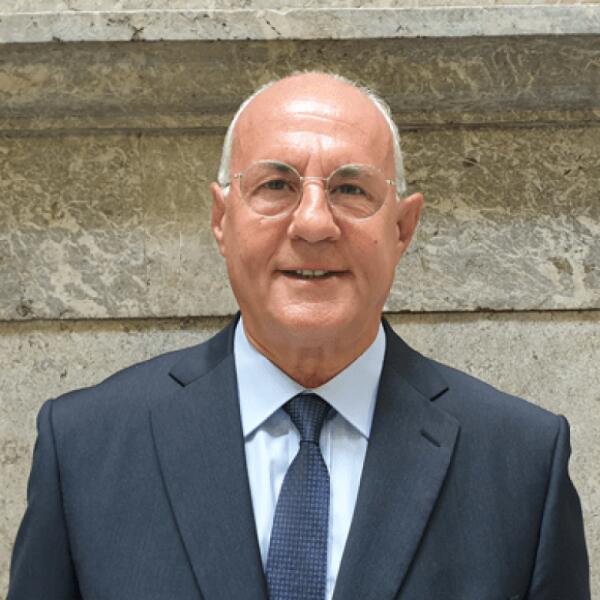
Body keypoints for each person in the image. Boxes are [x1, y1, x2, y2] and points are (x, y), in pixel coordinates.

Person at [8, 72, 589, 600]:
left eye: (351, 189)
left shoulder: (521, 462)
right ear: (221, 220)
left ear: (403, 227)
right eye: (276, 185)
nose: (313, 223)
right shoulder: (85, 447)